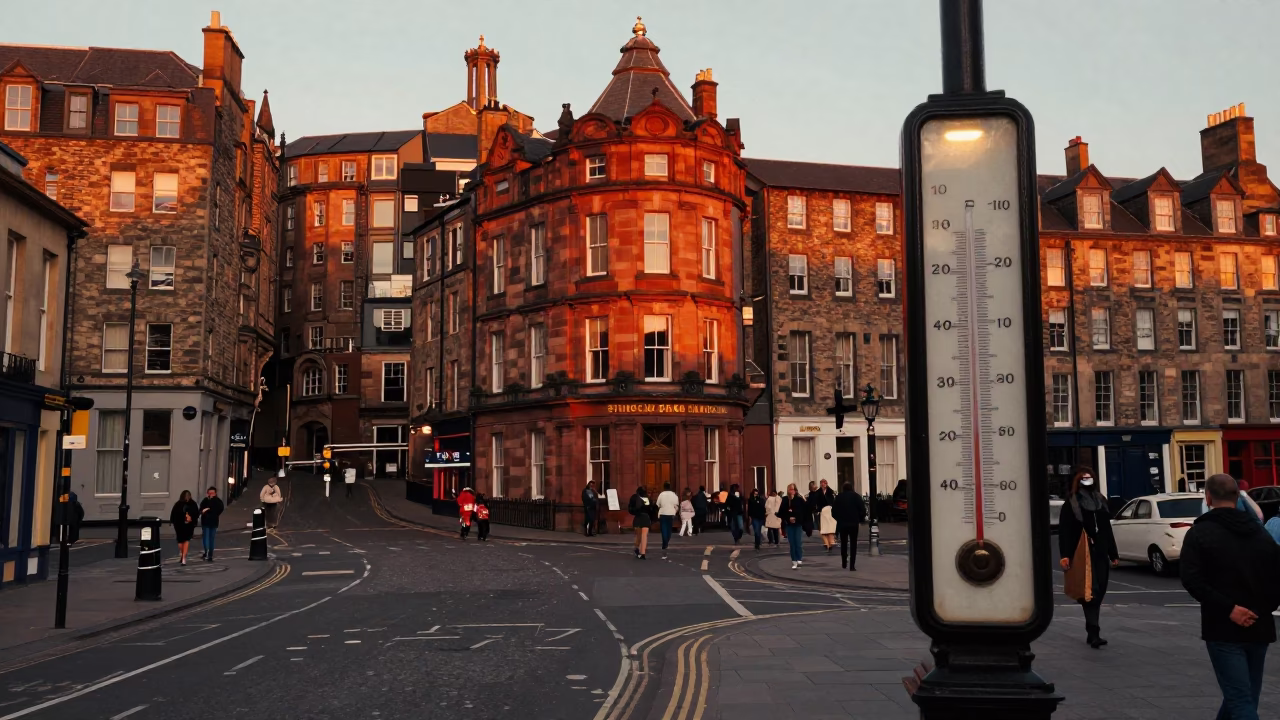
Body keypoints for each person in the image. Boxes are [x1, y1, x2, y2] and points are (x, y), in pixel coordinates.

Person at [1181, 473, 1280, 720]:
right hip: (1259, 623)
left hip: (1223, 627)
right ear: (1237, 496)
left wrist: (1229, 608)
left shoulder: (1200, 533)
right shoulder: (1260, 533)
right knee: (1245, 696)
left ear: (1208, 497)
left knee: (1239, 700)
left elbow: (1192, 580)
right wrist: (1264, 607)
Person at [1058, 467, 1118, 648]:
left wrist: (1113, 553)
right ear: (1078, 480)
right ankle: (1094, 632)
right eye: (1084, 478)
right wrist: (1065, 555)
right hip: (1082, 552)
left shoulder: (1101, 501)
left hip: (1100, 551)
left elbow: (1107, 529)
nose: (1087, 480)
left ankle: (1092, 630)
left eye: (1090, 478)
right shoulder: (1072, 503)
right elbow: (1065, 531)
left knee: (1099, 591)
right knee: (1089, 592)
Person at [833, 483, 866, 570]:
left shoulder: (839, 497)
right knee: (853, 544)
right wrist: (860, 518)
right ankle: (852, 565)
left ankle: (844, 562)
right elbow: (862, 509)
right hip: (853, 523)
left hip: (842, 523)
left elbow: (834, 512)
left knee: (843, 543)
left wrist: (838, 519)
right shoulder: (856, 497)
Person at [780, 484, 808, 568]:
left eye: (793, 489)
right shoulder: (785, 499)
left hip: (798, 523)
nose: (791, 491)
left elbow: (804, 511)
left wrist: (796, 518)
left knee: (798, 542)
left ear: (795, 490)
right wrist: (789, 518)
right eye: (790, 489)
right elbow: (782, 512)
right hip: (789, 524)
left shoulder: (799, 499)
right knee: (792, 543)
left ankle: (799, 558)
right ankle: (794, 560)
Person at [169, 490, 199, 565]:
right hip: (183, 525)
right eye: (186, 496)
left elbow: (196, 514)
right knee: (183, 541)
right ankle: (183, 556)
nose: (187, 497)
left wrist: (191, 519)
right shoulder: (185, 504)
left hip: (184, 525)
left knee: (183, 540)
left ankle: (183, 557)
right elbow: (174, 514)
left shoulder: (182, 504)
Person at [198, 486, 224, 562]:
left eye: (212, 493)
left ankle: (208, 553)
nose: (211, 494)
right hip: (211, 521)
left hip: (209, 521)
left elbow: (201, 510)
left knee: (207, 538)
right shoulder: (217, 501)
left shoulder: (209, 501)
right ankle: (209, 554)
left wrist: (207, 511)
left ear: (215, 493)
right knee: (210, 539)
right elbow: (220, 509)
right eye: (210, 493)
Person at [656, 482, 680, 559]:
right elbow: (676, 504)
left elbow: (658, 504)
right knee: (669, 529)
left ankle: (664, 543)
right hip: (671, 513)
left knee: (663, 529)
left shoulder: (661, 494)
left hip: (663, 513)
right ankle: (666, 542)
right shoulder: (674, 495)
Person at [629, 487, 653, 559]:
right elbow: (650, 509)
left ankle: (637, 548)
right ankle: (643, 553)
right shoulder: (648, 499)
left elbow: (631, 509)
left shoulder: (635, 498)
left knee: (638, 536)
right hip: (646, 518)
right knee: (644, 536)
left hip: (638, 518)